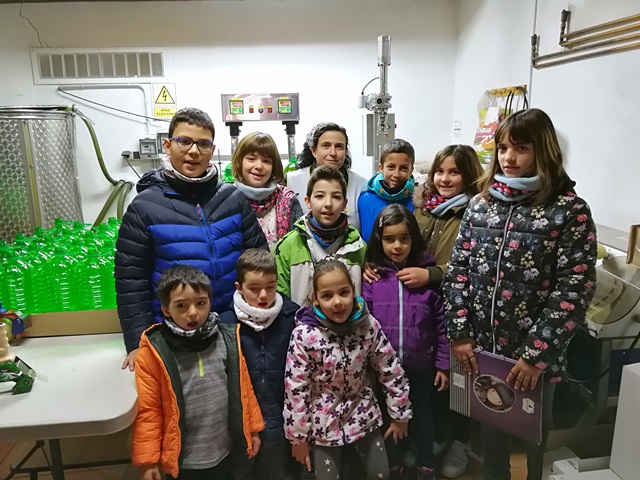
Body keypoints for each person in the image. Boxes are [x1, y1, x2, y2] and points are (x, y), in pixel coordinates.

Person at [443, 108, 597, 480]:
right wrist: (460, 334)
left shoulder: (568, 211)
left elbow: (574, 289)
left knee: (532, 440)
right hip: (482, 351)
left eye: (521, 148)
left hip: (532, 359)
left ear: (543, 151)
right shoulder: (481, 204)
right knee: (490, 434)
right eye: (502, 149)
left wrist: (535, 355)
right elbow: (457, 272)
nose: (508, 158)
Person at [115, 107, 267, 371]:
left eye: (203, 144)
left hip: (232, 329)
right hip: (174, 336)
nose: (194, 151)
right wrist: (138, 341)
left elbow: (259, 260)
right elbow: (131, 281)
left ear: (212, 149)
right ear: (167, 145)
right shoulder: (144, 207)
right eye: (184, 141)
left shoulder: (233, 199)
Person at [132, 265, 264, 480]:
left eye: (200, 303)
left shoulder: (227, 339)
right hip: (184, 462)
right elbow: (149, 411)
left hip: (225, 453)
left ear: (210, 302)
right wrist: (148, 461)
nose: (193, 312)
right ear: (166, 310)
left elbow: (244, 390)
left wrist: (253, 430)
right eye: (181, 305)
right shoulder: (154, 352)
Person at [284, 259, 412, 480]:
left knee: (380, 474)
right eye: (327, 296)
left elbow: (390, 368)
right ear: (315, 298)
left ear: (353, 290)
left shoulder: (368, 326)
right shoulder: (304, 335)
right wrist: (298, 438)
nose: (337, 302)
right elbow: (296, 388)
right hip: (323, 422)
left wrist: (400, 414)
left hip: (363, 412)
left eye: (344, 292)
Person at [412, 144, 483, 478]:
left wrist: (431, 275)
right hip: (426, 308)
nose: (444, 178)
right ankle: (440, 436)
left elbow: (470, 265)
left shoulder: (475, 213)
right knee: (437, 381)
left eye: (454, 172)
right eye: (440, 171)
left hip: (461, 310)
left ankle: (461, 442)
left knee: (463, 383)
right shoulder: (424, 209)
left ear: (468, 175)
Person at [362, 204, 448, 480]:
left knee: (422, 414)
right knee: (389, 415)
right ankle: (394, 463)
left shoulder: (427, 276)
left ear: (414, 239)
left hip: (421, 364)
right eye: (389, 239)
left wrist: (443, 364)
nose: (397, 246)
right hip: (385, 369)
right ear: (379, 240)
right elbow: (367, 325)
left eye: (404, 238)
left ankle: (426, 463)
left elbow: (442, 325)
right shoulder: (373, 278)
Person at [219, 249, 299, 480]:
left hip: (281, 421)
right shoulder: (225, 324)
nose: (263, 295)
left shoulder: (292, 317)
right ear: (239, 287)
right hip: (241, 425)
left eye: (270, 287)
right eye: (254, 289)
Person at [275, 165, 366, 306]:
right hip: (300, 320)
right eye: (319, 196)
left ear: (344, 204)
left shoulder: (359, 247)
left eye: (336, 197)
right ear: (308, 201)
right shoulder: (288, 246)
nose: (328, 204)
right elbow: (280, 299)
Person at [285, 122, 368, 231]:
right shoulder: (291, 182)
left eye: (339, 147)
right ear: (314, 150)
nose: (333, 153)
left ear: (346, 152)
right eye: (326, 146)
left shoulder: (361, 185)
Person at [232, 132, 303, 250]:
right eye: (251, 159)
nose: (259, 166)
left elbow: (299, 246)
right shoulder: (227, 199)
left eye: (266, 161)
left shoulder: (289, 200)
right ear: (240, 161)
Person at [357, 139, 416, 242]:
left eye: (403, 168)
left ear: (411, 170)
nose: (396, 174)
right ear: (381, 168)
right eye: (391, 167)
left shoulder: (417, 203)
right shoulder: (364, 200)